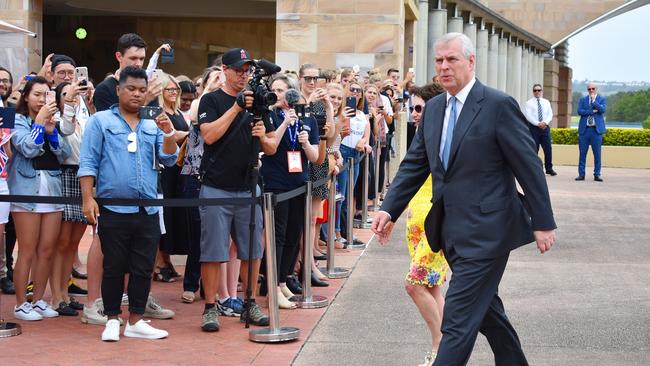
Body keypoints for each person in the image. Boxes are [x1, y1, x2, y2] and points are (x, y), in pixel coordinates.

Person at [372, 33, 557, 366]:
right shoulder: (433, 111)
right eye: (439, 60)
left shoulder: (497, 105)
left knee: (456, 319)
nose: (444, 67)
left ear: (471, 62)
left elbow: (529, 166)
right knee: (487, 312)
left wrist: (543, 221)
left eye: (452, 59)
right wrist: (389, 209)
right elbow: (415, 164)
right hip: (450, 231)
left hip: (489, 231)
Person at [78, 66, 178, 341]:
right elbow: (88, 162)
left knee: (143, 267)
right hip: (113, 206)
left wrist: (168, 133)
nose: (137, 94)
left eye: (142, 90)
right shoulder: (100, 121)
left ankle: (135, 320)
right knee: (113, 265)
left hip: (147, 207)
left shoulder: (152, 121)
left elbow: (168, 159)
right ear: (119, 90)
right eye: (131, 89)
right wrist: (88, 199)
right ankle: (112, 318)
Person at [197, 48, 276, 332]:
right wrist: (237, 107)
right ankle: (209, 306)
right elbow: (209, 136)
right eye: (239, 69)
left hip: (248, 186)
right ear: (226, 70)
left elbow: (270, 146)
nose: (244, 74)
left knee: (252, 250)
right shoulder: (212, 99)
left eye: (248, 70)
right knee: (213, 251)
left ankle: (250, 302)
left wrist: (263, 137)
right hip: (216, 186)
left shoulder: (258, 103)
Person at [393, 82, 448, 366]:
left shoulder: (446, 136)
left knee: (414, 284)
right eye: (411, 108)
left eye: (418, 108)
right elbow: (407, 176)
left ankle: (441, 348)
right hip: (416, 221)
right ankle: (447, 349)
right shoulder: (421, 135)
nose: (413, 114)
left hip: (437, 221)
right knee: (431, 286)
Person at [9, 76, 71, 321]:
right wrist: (38, 123)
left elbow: (64, 154)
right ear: (26, 96)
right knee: (27, 249)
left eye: (47, 95)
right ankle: (20, 303)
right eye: (37, 94)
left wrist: (52, 132)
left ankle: (38, 300)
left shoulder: (52, 121)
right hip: (26, 189)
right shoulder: (18, 120)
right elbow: (27, 148)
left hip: (52, 188)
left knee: (47, 249)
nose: (42, 99)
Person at [261, 74, 321, 308]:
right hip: (276, 182)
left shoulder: (307, 118)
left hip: (299, 181)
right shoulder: (269, 115)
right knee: (278, 235)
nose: (277, 94)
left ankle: (283, 279)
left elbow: (315, 157)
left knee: (294, 234)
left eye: (281, 90)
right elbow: (269, 147)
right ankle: (272, 286)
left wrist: (305, 142)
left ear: (292, 93)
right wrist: (285, 122)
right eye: (274, 89)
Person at [576, 83, 607, 182]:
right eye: (589, 89)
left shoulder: (601, 99)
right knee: (582, 153)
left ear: (596, 89)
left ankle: (597, 174)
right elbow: (580, 111)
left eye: (593, 88)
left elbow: (602, 110)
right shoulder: (583, 100)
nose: (591, 90)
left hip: (596, 130)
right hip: (585, 130)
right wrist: (591, 111)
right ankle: (581, 174)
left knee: (597, 154)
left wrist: (594, 101)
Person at [524, 84, 556, 176]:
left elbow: (550, 114)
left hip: (545, 128)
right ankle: (533, 169)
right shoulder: (529, 103)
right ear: (533, 92)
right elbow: (528, 116)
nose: (537, 92)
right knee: (534, 149)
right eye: (535, 90)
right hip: (534, 128)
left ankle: (549, 169)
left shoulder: (546, 102)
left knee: (548, 149)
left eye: (539, 90)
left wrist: (544, 123)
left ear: (541, 91)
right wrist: (538, 124)